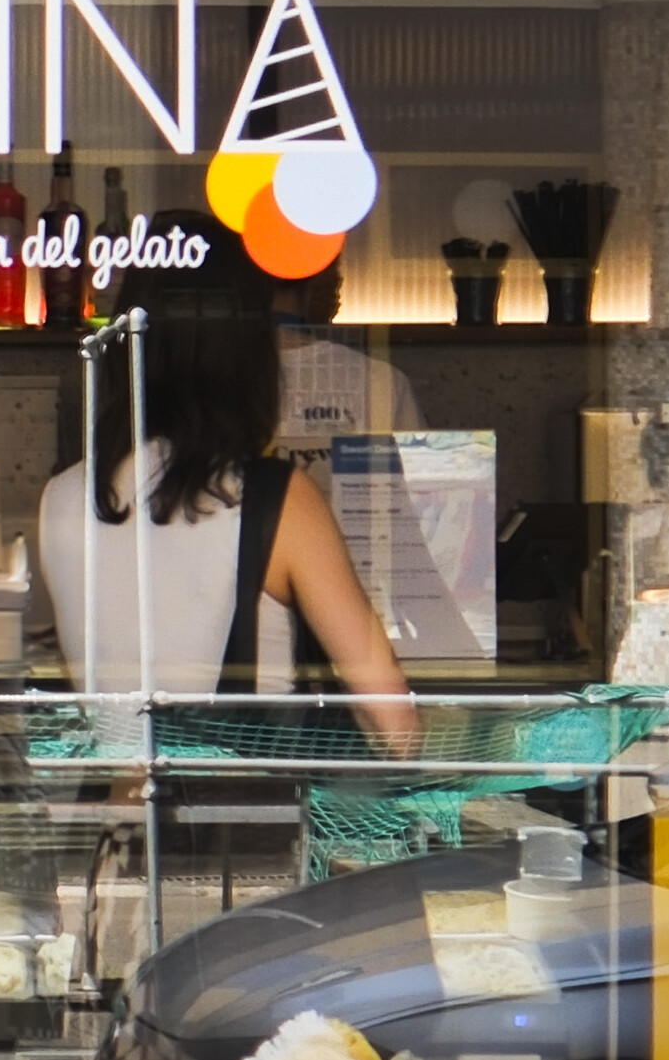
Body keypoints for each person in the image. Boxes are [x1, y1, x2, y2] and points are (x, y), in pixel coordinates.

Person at [34, 242, 415, 740]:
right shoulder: (274, 498)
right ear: (247, 355)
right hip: (242, 788)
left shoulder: (61, 496)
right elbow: (392, 719)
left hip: (118, 785)